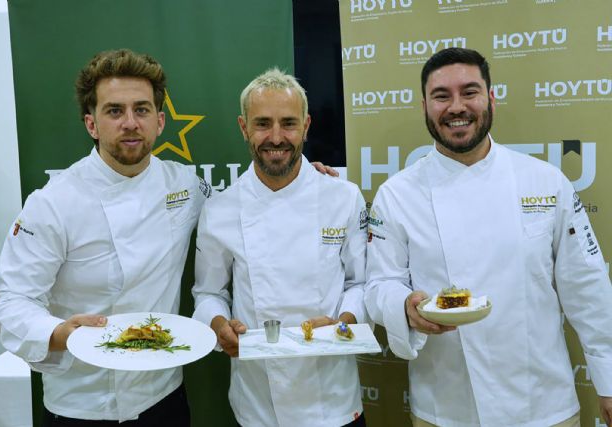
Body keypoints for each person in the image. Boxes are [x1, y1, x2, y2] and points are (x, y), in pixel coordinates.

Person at [364, 47, 612, 427]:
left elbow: (588, 288)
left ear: (491, 98)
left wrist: (608, 381)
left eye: (470, 92)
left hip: (543, 405)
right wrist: (405, 306)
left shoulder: (545, 182)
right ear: (425, 106)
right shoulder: (396, 195)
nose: (456, 106)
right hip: (445, 406)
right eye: (441, 96)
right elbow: (380, 285)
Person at [0, 49, 211, 425]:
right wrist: (59, 332)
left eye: (141, 110)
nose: (129, 123)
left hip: (164, 397)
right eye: (114, 111)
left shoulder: (184, 185)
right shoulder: (53, 203)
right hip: (82, 404)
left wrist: (302, 179)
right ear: (91, 124)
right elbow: (10, 302)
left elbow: (241, 210)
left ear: (159, 122)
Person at [191, 68, 369, 427]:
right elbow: (208, 291)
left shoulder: (343, 197)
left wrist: (342, 323)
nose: (276, 137)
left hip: (332, 400)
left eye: (288, 123)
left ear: (306, 125)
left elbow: (361, 283)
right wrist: (218, 322)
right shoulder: (221, 209)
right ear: (244, 127)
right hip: (257, 403)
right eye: (262, 124)